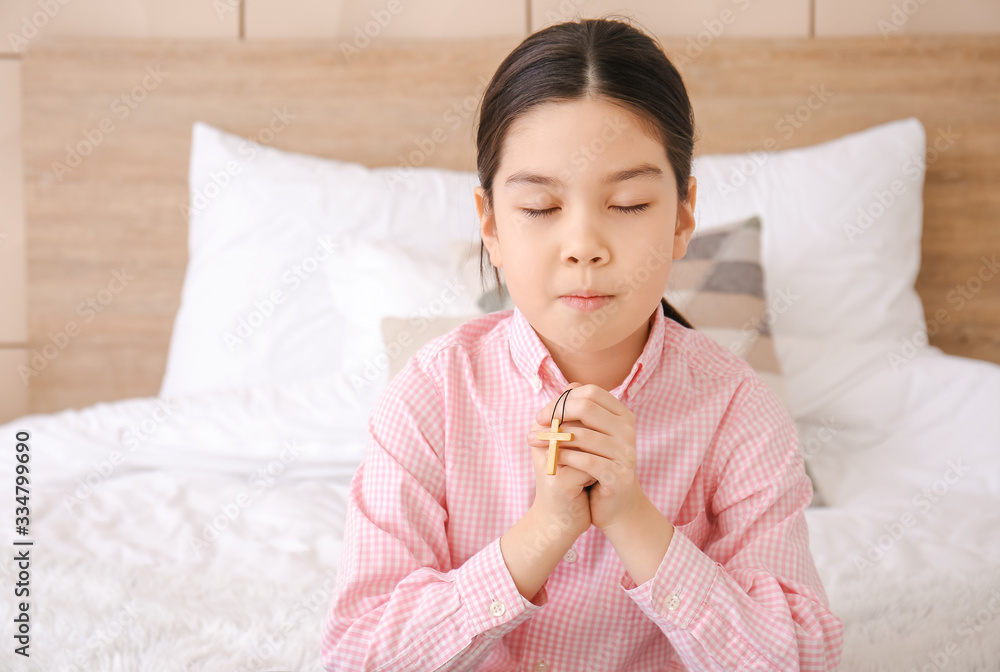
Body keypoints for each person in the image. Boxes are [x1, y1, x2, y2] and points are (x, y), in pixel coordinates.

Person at [321, 17, 844, 671]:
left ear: (683, 216)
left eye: (627, 204)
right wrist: (546, 530)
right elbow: (356, 657)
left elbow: (798, 660)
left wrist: (630, 515)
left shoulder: (738, 410)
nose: (584, 247)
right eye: (540, 208)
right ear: (490, 225)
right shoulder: (431, 397)